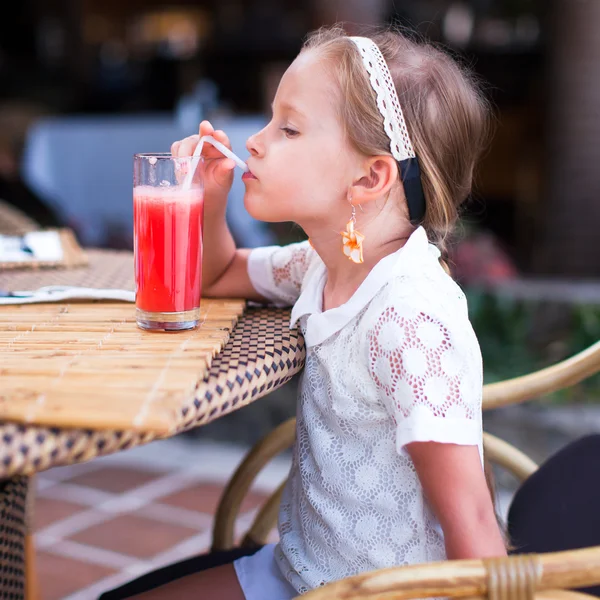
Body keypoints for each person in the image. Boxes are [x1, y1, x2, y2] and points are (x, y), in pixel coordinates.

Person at [101, 24, 506, 600]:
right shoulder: (322, 263)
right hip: (301, 571)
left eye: (288, 128)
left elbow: (472, 519)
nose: (257, 141)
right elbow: (216, 275)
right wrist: (211, 202)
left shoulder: (409, 318)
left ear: (369, 178)